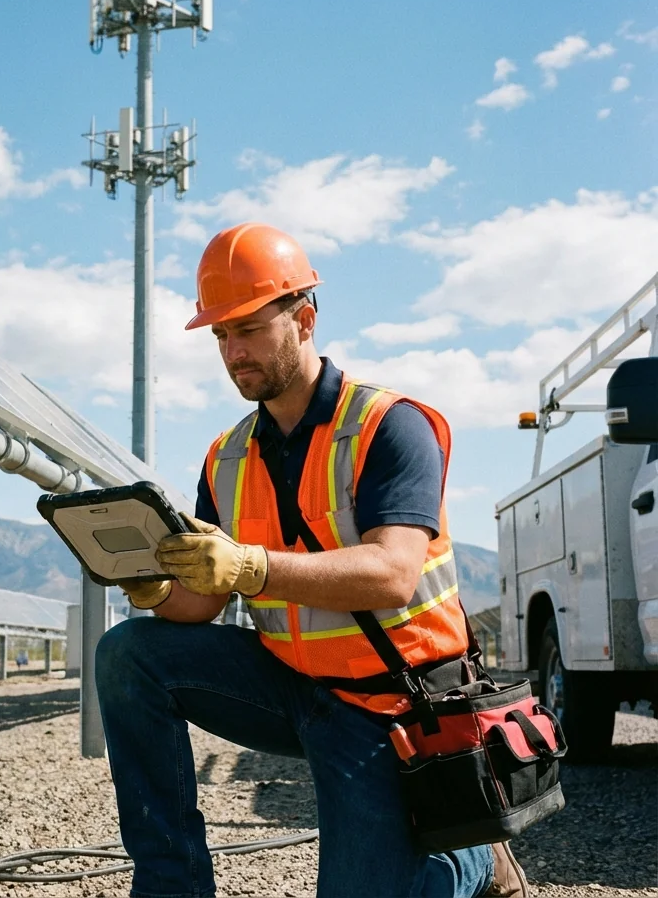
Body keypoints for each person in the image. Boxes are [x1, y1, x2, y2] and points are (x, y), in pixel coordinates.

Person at [95, 223, 528, 898]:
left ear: (304, 319)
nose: (233, 352)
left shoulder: (391, 425)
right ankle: (170, 887)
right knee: (129, 655)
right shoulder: (228, 455)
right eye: (219, 337)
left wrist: (248, 568)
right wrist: (154, 589)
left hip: (392, 703)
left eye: (247, 329)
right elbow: (204, 604)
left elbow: (393, 573)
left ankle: (470, 859)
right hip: (293, 685)